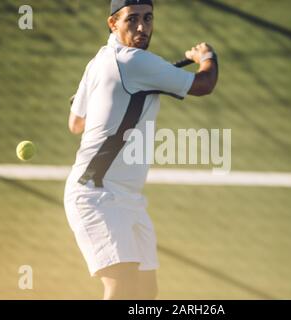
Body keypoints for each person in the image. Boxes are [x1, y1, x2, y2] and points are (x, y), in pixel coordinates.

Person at [64, 0, 218, 300]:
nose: (141, 28)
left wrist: (100, 97)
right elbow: (204, 84)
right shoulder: (135, 62)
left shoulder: (97, 62)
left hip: (128, 197)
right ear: (113, 23)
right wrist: (207, 56)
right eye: (132, 19)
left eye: (148, 19)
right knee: (120, 286)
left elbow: (75, 122)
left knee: (146, 292)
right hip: (96, 195)